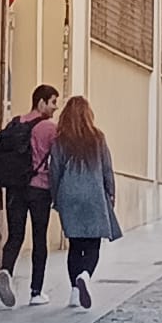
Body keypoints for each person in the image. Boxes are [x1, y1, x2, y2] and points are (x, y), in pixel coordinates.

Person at [48, 95, 121, 309]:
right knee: (93, 245)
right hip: (94, 195)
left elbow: (54, 171)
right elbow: (107, 168)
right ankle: (85, 276)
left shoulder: (61, 140)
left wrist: (56, 196)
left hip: (69, 196)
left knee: (75, 245)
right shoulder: (98, 138)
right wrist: (111, 193)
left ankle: (73, 292)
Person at [0, 85, 59, 307]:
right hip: (40, 188)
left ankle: (6, 270)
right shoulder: (49, 128)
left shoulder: (15, 123)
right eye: (52, 102)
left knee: (15, 235)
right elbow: (59, 159)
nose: (55, 107)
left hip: (15, 188)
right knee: (39, 238)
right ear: (41, 102)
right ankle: (36, 292)